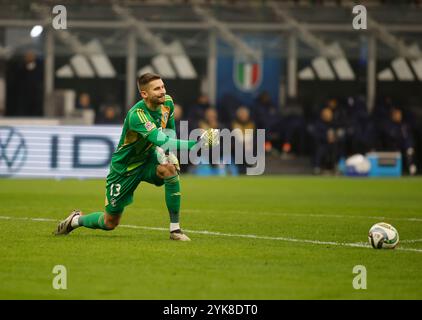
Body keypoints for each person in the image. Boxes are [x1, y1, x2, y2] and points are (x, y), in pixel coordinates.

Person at [54, 73, 219, 240]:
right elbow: (161, 139)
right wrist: (197, 143)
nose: (162, 91)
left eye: (162, 86)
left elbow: (169, 130)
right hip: (125, 168)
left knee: (170, 170)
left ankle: (175, 230)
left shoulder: (167, 102)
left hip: (148, 158)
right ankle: (76, 220)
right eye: (157, 89)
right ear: (144, 94)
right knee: (110, 222)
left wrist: (169, 154)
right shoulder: (137, 115)